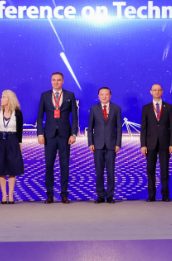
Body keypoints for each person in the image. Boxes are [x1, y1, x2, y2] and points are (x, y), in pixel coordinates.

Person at [36, 72, 78, 204]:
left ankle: (64, 194)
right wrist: (40, 134)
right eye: (54, 80)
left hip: (65, 136)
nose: (56, 82)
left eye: (59, 80)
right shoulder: (45, 95)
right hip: (49, 136)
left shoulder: (70, 95)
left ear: (63, 81)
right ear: (51, 81)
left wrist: (73, 134)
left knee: (64, 165)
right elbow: (40, 116)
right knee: (49, 165)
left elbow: (75, 117)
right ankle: (49, 194)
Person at [140, 84, 172, 202]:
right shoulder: (146, 108)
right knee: (150, 170)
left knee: (164, 170)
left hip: (165, 143)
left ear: (162, 92)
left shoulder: (169, 107)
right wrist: (143, 145)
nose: (157, 92)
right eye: (154, 90)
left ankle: (165, 195)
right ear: (151, 92)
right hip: (150, 143)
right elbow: (143, 128)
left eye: (159, 90)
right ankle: (151, 195)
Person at [88, 87, 122, 204]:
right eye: (102, 94)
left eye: (106, 94)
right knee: (99, 172)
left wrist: (118, 143)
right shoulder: (94, 109)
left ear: (110, 96)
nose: (104, 96)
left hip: (112, 145)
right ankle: (100, 196)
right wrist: (90, 143)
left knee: (111, 172)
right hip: (97, 145)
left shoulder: (116, 108)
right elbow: (90, 128)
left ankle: (110, 196)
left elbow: (119, 128)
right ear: (98, 96)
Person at [0, 90, 25, 204]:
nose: (1, 99)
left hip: (13, 140)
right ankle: (3, 196)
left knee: (12, 168)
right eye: (1, 97)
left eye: (4, 97)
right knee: (0, 168)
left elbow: (20, 130)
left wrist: (19, 143)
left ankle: (11, 195)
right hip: (0, 140)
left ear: (10, 99)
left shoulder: (18, 113)